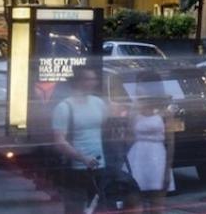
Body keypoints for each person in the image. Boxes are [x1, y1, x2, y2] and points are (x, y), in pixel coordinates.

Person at [49, 66, 111, 214]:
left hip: (98, 165)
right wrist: (83, 158)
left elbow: (104, 129)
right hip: (75, 169)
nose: (93, 83)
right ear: (77, 81)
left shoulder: (98, 103)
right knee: (75, 209)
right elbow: (59, 141)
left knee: (98, 208)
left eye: (94, 79)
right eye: (88, 79)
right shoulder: (64, 108)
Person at [124, 92, 175, 213]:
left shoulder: (165, 113)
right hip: (137, 159)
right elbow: (128, 139)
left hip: (158, 159)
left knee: (157, 206)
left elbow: (171, 142)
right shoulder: (134, 113)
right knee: (134, 202)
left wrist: (167, 169)